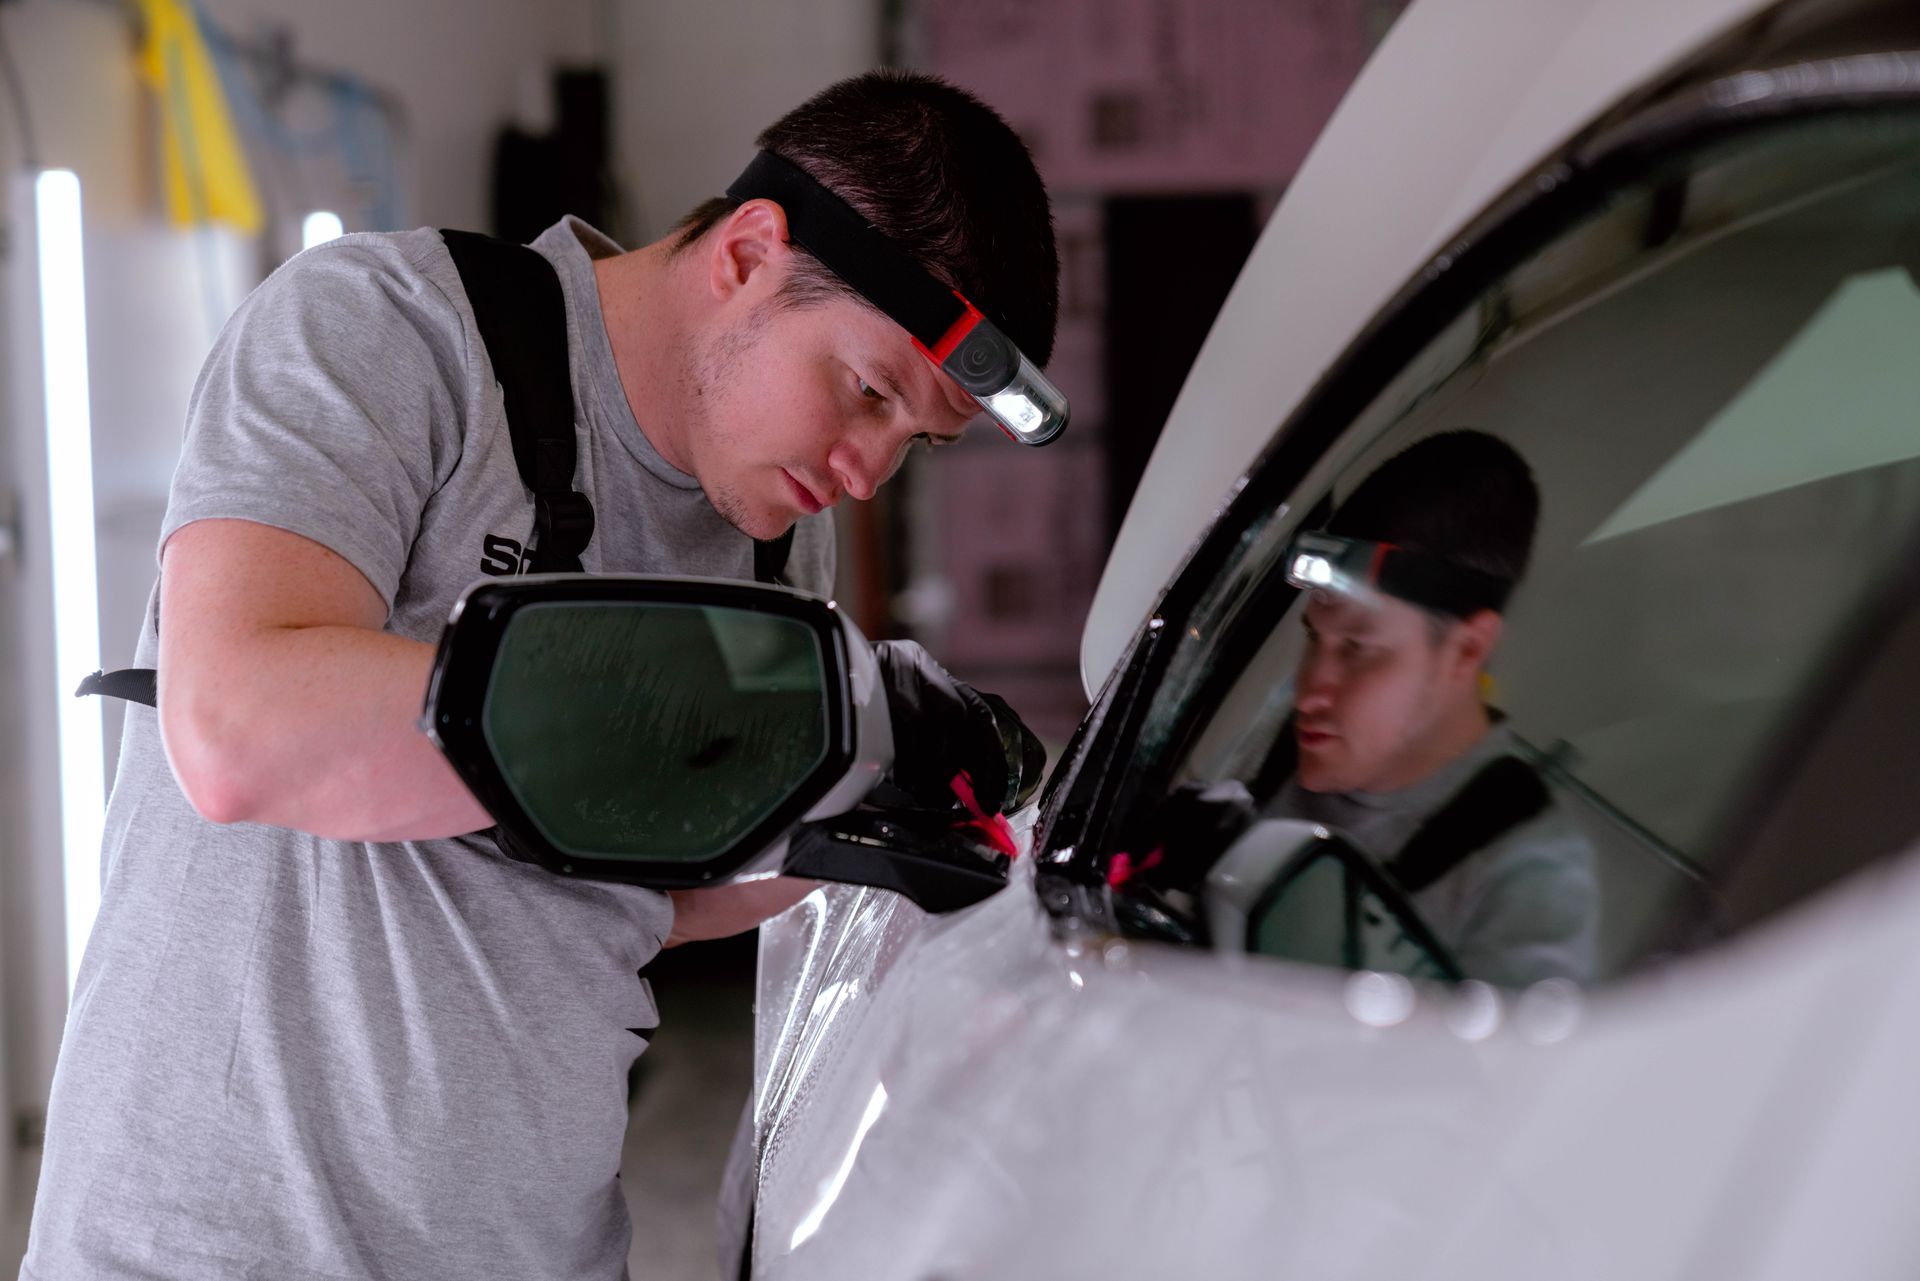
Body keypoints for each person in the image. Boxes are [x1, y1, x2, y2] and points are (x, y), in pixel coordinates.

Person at [22, 71, 1058, 1281]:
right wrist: (747, 721)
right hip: (213, 1250)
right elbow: (239, 731)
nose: (869, 469)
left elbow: (630, 896)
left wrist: (845, 833)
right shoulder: (394, 331)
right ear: (749, 253)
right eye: (869, 392)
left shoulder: (776, 538)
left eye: (913, 441)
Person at [1262, 430, 1598, 986]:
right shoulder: (1285, 741)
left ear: (1466, 650)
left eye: (1356, 649)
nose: (1309, 690)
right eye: (1313, 638)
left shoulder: (1527, 874)